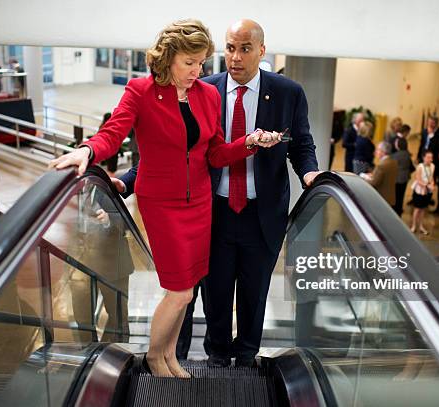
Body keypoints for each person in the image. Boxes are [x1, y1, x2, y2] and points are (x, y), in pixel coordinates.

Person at [49, 19, 280, 378]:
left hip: (201, 204)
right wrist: (88, 151)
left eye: (202, 62)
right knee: (178, 292)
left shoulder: (208, 94)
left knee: (186, 295)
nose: (197, 71)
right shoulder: (141, 92)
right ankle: (156, 358)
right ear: (169, 58)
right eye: (190, 63)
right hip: (162, 206)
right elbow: (113, 133)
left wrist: (248, 143)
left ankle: (170, 356)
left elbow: (215, 153)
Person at [116, 19, 320, 367]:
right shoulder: (203, 88)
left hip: (263, 213)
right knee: (215, 294)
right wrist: (127, 180)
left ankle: (246, 361)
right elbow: (173, 150)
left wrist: (310, 173)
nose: (235, 57)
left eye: (244, 49)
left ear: (261, 51)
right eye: (229, 48)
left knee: (255, 295)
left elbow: (301, 144)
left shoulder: (288, 92)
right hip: (213, 211)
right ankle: (216, 357)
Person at [364, 141, 398, 206]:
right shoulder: (393, 162)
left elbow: (374, 183)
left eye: (378, 150)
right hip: (390, 197)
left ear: (383, 152)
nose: (376, 152)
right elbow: (387, 176)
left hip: (381, 198)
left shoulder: (381, 166)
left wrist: (364, 178)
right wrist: (374, 175)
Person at [411, 150, 435, 235]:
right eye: (428, 157)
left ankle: (421, 226)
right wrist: (426, 185)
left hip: (427, 191)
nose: (430, 159)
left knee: (423, 209)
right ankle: (413, 225)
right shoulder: (420, 166)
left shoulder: (432, 166)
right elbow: (418, 179)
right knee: (417, 209)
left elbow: (431, 177)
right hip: (419, 190)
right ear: (423, 158)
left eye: (431, 157)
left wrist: (432, 184)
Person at [391, 137, 415, 216]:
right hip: (405, 178)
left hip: (396, 179)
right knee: (401, 195)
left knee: (395, 196)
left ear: (398, 145)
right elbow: (412, 168)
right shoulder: (407, 155)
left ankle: (394, 211)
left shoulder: (395, 155)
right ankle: (399, 210)